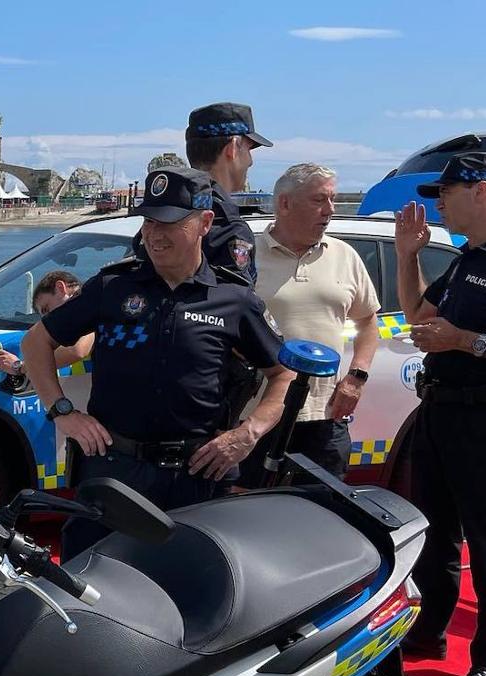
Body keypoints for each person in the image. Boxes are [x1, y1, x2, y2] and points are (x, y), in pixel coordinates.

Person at [20, 167, 293, 556]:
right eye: (149, 220)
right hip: (114, 471)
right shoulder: (112, 287)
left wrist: (248, 434)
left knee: (192, 587)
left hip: (198, 475)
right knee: (91, 583)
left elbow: (282, 372)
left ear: (205, 223)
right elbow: (36, 343)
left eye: (170, 222)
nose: (154, 233)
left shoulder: (234, 300)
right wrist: (62, 411)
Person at [392, 152, 486, 676]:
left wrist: (467, 343)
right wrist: (407, 256)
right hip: (439, 412)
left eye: (447, 191)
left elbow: (457, 336)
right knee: (435, 532)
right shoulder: (464, 259)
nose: (438, 203)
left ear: (481, 191)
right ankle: (429, 630)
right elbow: (417, 316)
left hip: (481, 418)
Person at [238, 164, 380, 485]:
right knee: (247, 515)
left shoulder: (344, 255)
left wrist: (356, 377)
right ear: (285, 204)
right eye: (319, 200)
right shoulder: (245, 258)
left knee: (320, 516)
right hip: (256, 414)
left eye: (332, 199)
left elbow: (368, 321)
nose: (330, 210)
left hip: (324, 417)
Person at [185, 102, 273, 284]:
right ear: (233, 148)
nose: (250, 161)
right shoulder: (228, 227)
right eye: (249, 148)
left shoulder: (159, 215)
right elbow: (235, 305)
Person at [0, 270, 94, 377]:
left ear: (60, 288)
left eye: (47, 309)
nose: (49, 319)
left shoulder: (89, 305)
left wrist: (19, 367)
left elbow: (75, 351)